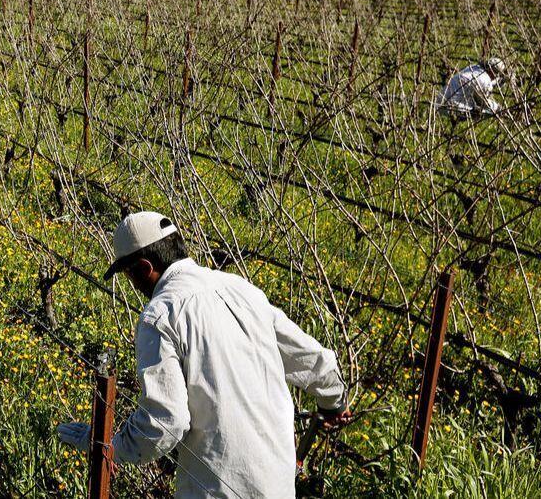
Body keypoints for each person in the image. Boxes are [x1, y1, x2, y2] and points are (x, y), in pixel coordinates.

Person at [56, 212, 350, 498]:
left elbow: (165, 422)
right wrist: (334, 403)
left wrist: (108, 445)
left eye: (128, 274)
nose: (132, 285)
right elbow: (314, 361)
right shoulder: (242, 289)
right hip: (279, 486)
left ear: (145, 268)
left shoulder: (160, 315)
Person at [439, 58, 506, 117]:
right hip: (452, 109)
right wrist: (497, 108)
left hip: (439, 102)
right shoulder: (485, 81)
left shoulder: (473, 67)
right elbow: (484, 103)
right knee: (484, 111)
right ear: (494, 73)